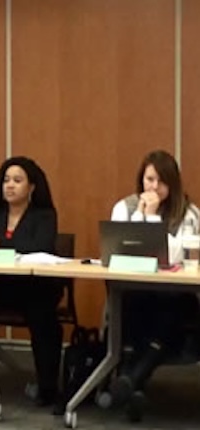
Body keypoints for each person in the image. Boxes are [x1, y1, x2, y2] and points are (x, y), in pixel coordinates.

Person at [106, 150, 200, 422]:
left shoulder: (189, 213)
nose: (153, 188)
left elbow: (172, 256)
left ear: (173, 184)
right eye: (149, 180)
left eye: (161, 181)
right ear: (141, 179)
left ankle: (129, 380)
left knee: (170, 312)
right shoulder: (124, 208)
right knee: (137, 306)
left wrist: (153, 217)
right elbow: (123, 248)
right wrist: (142, 215)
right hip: (134, 292)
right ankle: (134, 385)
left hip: (174, 294)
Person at [0, 156, 61, 407]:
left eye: (17, 181)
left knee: (44, 316)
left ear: (31, 188)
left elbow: (40, 247)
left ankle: (48, 387)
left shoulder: (44, 216)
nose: (10, 185)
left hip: (32, 290)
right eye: (6, 180)